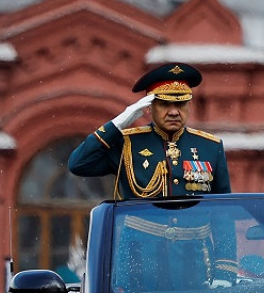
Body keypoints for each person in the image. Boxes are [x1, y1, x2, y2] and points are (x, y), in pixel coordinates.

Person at [69, 63, 231, 200]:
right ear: (149, 108)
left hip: (194, 237)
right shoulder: (127, 144)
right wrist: (119, 122)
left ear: (189, 106)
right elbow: (79, 164)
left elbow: (223, 209)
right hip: (142, 237)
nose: (174, 112)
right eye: (165, 105)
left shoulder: (210, 147)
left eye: (181, 105)